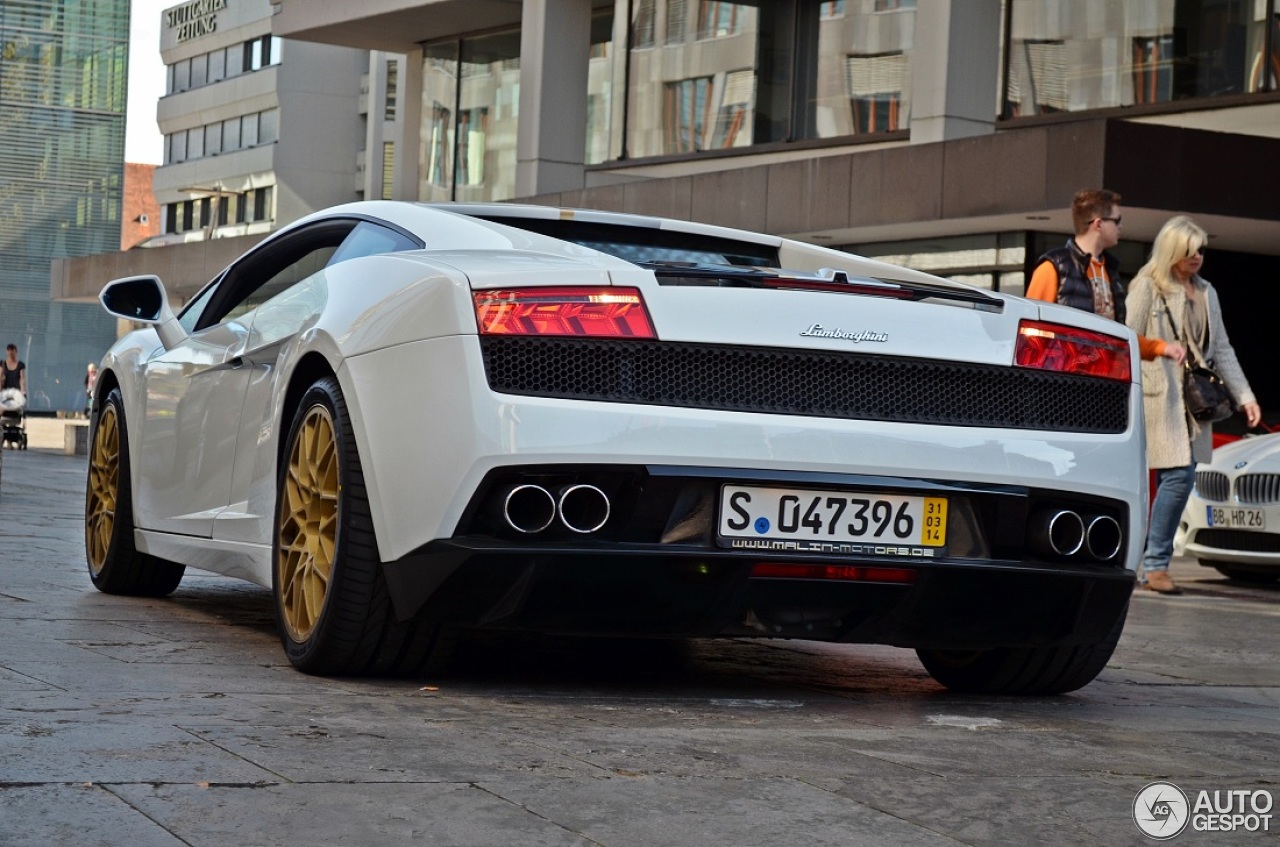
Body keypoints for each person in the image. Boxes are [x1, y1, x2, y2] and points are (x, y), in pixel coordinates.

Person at [1125, 216, 1262, 595]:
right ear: (1172, 251)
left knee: (1178, 478)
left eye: (1201, 249)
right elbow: (1128, 339)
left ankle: (1147, 563)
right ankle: (1153, 565)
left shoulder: (1206, 292)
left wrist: (1246, 396)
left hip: (1195, 401)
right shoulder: (1146, 285)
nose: (1198, 256)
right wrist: (1160, 348)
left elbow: (1221, 349)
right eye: (1190, 251)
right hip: (1159, 396)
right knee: (1177, 477)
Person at [1027, 188, 1185, 366]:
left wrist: (1161, 348)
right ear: (1098, 224)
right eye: (1117, 221)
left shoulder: (1111, 271)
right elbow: (1030, 332)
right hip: (1062, 382)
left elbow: (1119, 336)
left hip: (1105, 382)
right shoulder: (1053, 267)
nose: (1121, 227)